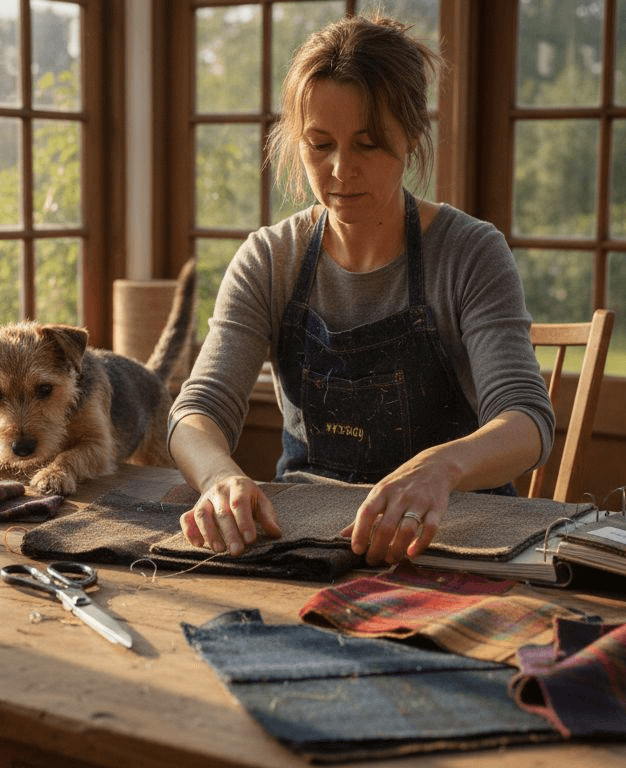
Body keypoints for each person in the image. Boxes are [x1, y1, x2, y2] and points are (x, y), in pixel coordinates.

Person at [166, 14, 554, 567]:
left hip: (455, 537)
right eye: (320, 144)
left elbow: (526, 420)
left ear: (412, 134)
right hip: (307, 536)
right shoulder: (269, 258)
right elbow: (196, 412)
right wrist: (218, 475)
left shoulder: (469, 252)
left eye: (368, 145)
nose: (341, 169)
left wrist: (440, 469)